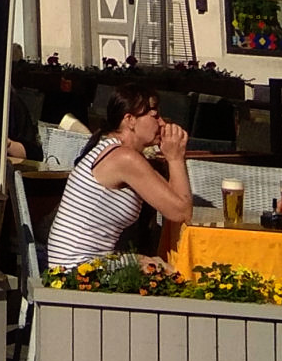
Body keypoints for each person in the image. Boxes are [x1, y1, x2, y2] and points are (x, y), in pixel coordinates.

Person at [46, 90, 193, 270]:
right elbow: (181, 212)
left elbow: (176, 202)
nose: (162, 123)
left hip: (76, 263)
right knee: (173, 275)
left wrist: (172, 157)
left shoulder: (113, 150)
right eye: (155, 116)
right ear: (130, 120)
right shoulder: (124, 159)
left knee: (159, 266)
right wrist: (175, 158)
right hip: (77, 269)